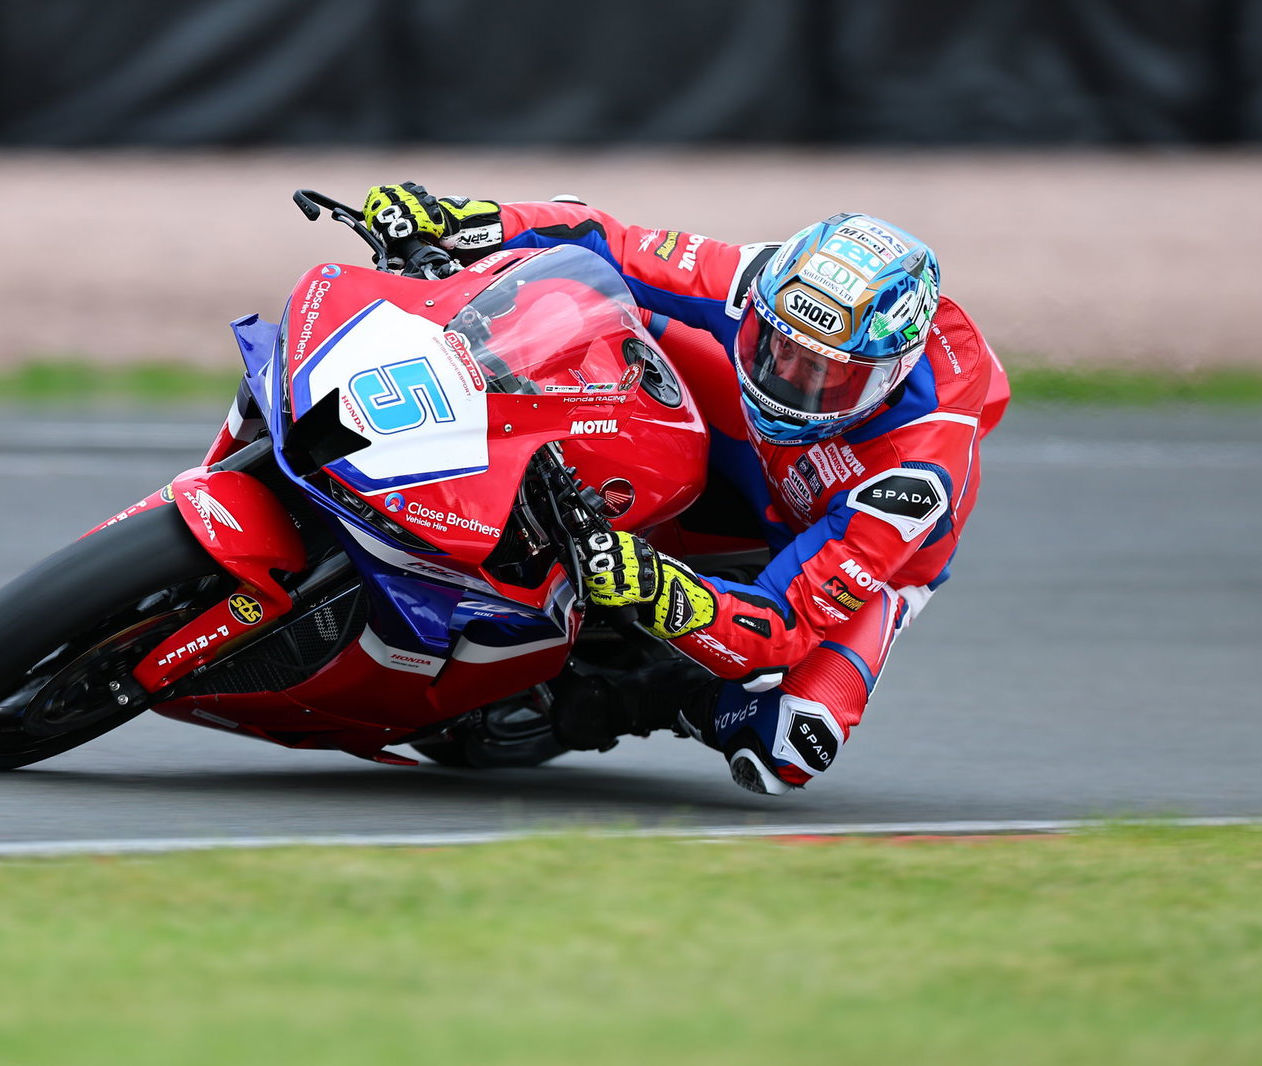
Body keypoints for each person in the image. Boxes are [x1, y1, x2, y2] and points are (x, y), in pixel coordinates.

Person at [361, 183, 1010, 795]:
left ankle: (636, 699)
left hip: (842, 537)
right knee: (592, 308)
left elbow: (778, 627)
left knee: (789, 745)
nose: (783, 378)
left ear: (886, 377)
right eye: (774, 345)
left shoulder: (913, 481)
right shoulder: (766, 281)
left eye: (820, 374)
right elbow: (603, 240)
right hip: (755, 443)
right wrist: (461, 221)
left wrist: (653, 585)